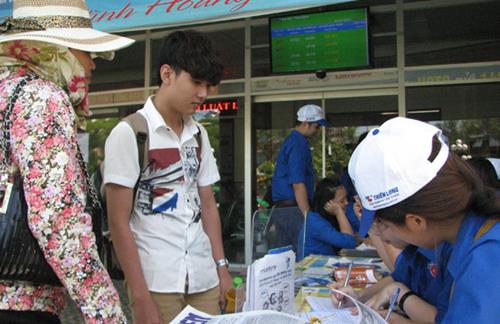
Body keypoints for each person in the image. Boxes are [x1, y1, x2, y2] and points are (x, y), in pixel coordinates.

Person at [0, 1, 134, 323]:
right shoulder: (42, 98)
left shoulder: (6, 91)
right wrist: (106, 312)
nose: (93, 66)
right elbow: (58, 219)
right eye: (86, 52)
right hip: (21, 307)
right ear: (58, 51)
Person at [104, 30, 232, 324]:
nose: (203, 93)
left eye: (208, 85)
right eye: (196, 82)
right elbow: (118, 222)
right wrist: (139, 296)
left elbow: (208, 204)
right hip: (156, 280)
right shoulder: (131, 133)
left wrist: (222, 268)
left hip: (203, 278)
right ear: (167, 74)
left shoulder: (198, 135)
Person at [345, 117, 500, 323]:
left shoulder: (488, 257)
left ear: (416, 222)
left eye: (383, 225)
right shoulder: (456, 236)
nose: (381, 234)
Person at [270, 104, 331, 251]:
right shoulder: (297, 144)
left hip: (287, 208)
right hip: (292, 209)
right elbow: (297, 183)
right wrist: (307, 216)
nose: (318, 130)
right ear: (305, 123)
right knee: (296, 255)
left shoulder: (292, 141)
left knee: (285, 255)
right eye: (317, 126)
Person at [297, 178, 356, 260]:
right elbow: (350, 243)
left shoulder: (328, 217)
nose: (346, 203)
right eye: (342, 201)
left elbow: (354, 236)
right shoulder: (315, 222)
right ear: (328, 204)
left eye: (346, 199)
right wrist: (339, 212)